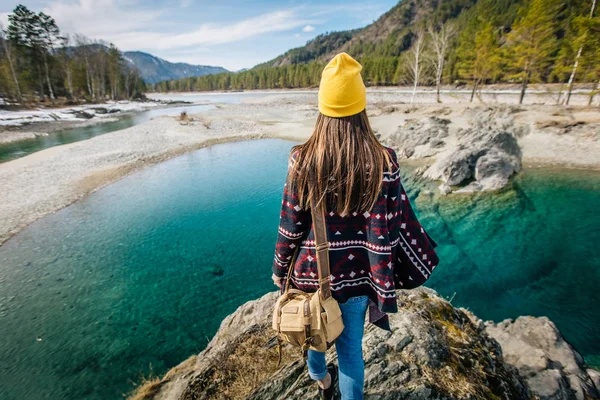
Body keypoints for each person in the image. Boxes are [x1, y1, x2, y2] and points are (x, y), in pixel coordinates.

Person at [271, 52, 439, 400]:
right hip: (361, 275)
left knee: (315, 330)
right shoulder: (384, 160)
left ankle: (321, 380)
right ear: (360, 107)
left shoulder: (303, 160)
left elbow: (290, 225)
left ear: (323, 107)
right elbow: (395, 222)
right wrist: (398, 268)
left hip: (313, 274)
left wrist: (279, 269)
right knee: (350, 353)